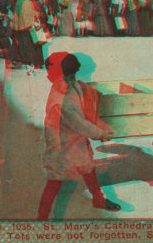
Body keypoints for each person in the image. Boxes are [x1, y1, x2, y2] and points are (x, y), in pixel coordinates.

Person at [37, 53, 121, 220]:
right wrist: (101, 132)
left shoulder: (72, 84)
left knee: (87, 168)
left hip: (75, 140)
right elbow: (79, 123)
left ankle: (98, 199)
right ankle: (42, 217)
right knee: (55, 180)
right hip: (61, 144)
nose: (47, 74)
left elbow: (83, 109)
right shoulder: (62, 96)